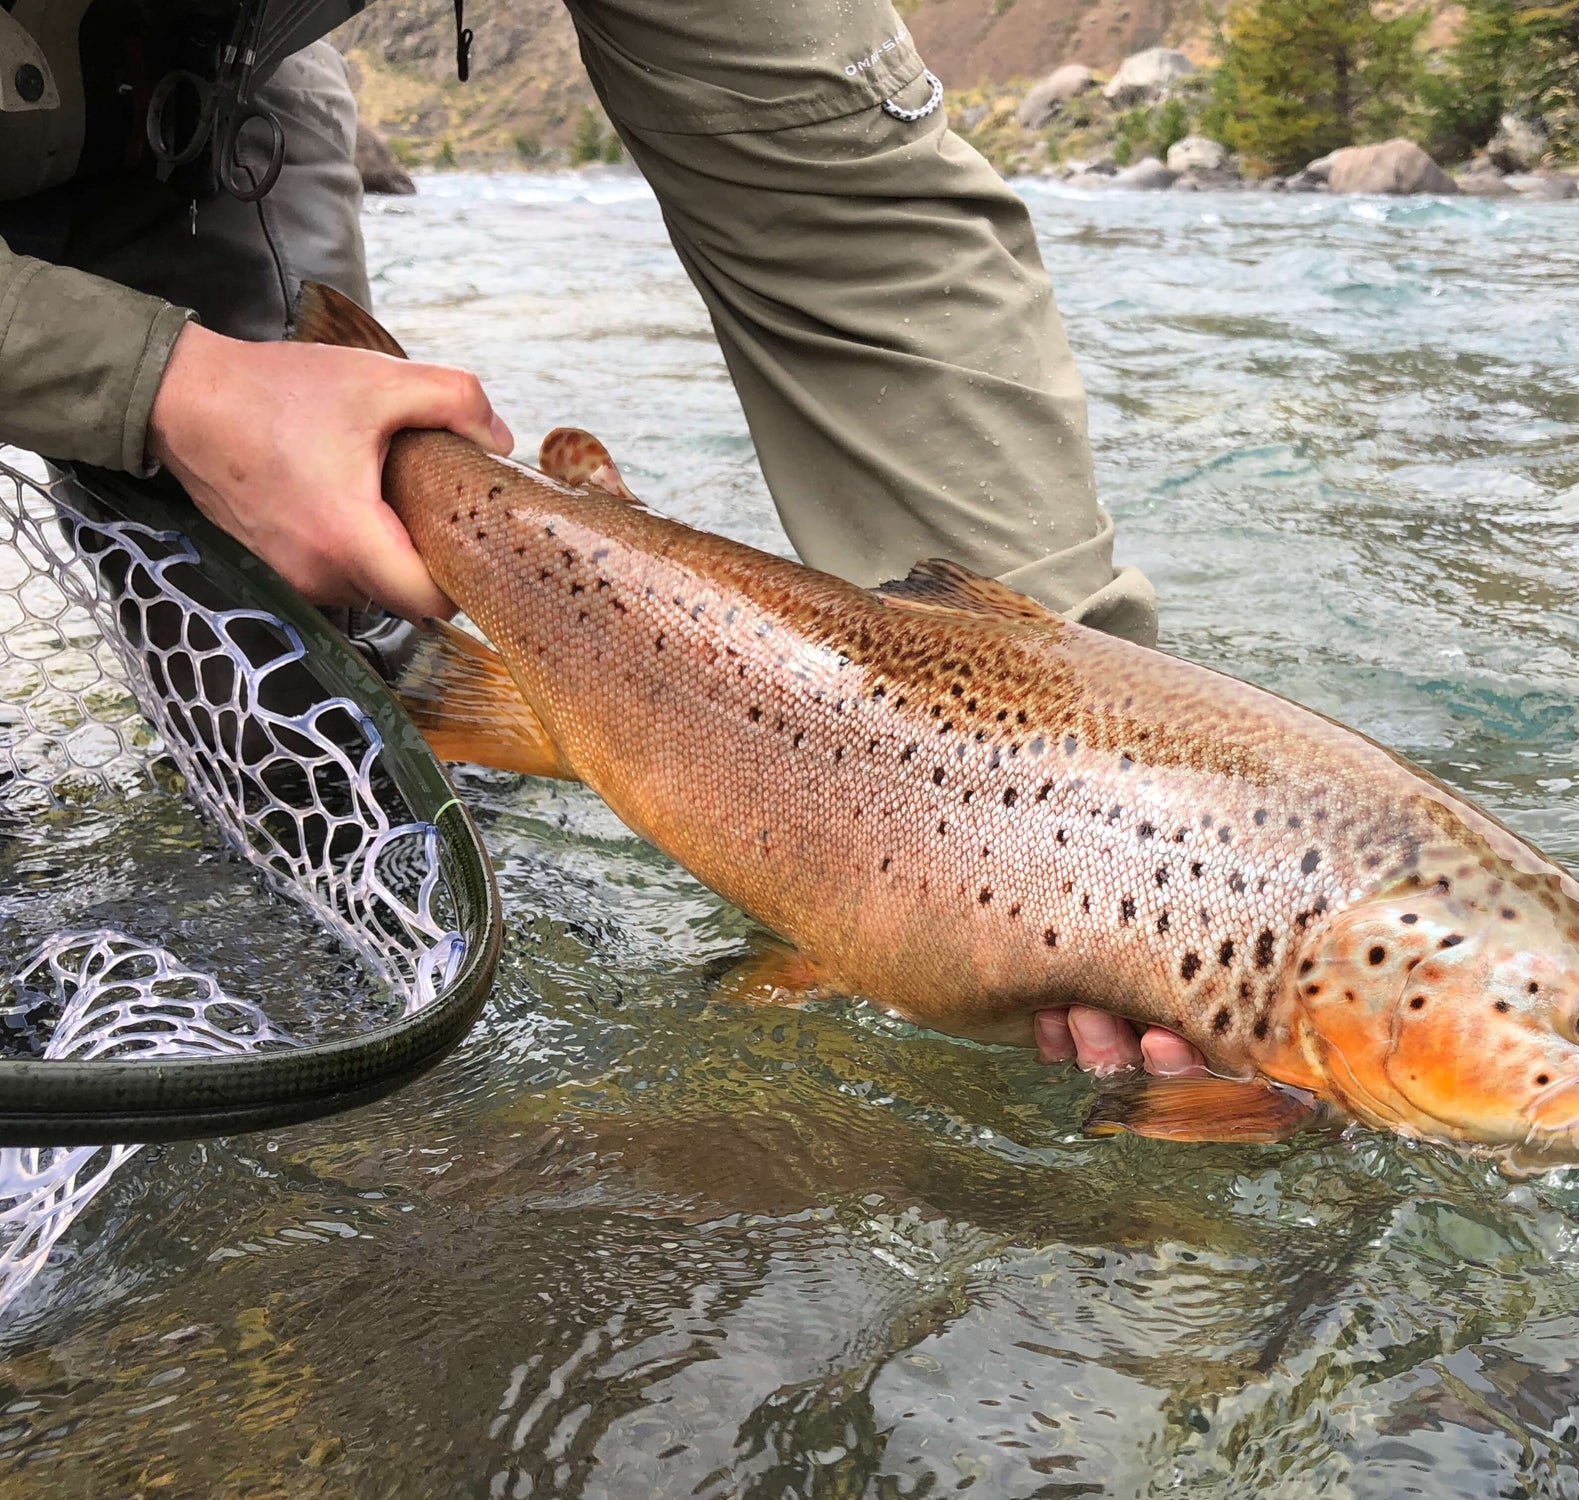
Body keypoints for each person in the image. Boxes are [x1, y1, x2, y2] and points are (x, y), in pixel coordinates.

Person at [0, 0, 1201, 1078]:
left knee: (306, 730)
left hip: (206, 78)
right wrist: (174, 385)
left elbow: (852, 201)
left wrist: (1083, 758)